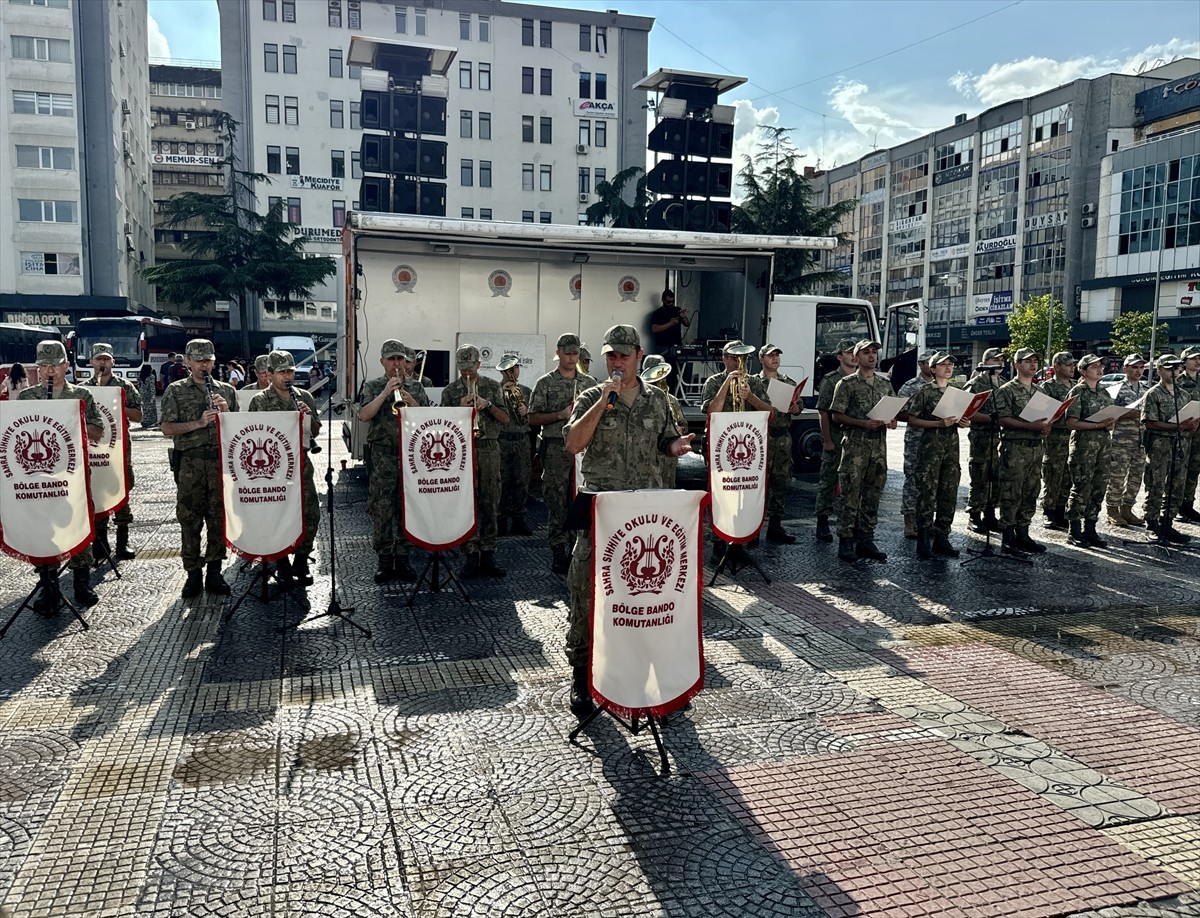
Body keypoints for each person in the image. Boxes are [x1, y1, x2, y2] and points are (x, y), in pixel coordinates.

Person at [562, 324, 694, 718]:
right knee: (586, 590)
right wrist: (604, 401)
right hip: (604, 513)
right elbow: (573, 443)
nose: (616, 362)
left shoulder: (658, 401)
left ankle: (650, 675)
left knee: (648, 597)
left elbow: (666, 444)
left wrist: (677, 446)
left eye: (623, 354)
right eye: (610, 356)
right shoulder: (590, 395)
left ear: (638, 355)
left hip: (646, 519)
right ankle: (582, 676)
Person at [20, 341, 104, 612]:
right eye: (44, 366)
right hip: (40, 476)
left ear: (66, 365)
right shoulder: (27, 398)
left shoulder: (81, 395)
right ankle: (48, 585)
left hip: (74, 474)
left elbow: (97, 432)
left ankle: (82, 583)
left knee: (78, 522)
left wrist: (72, 420)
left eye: (54, 365)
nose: (49, 371)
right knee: (44, 527)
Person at [161, 338, 239, 598]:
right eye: (198, 360)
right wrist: (198, 423)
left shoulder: (226, 390)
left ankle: (215, 571)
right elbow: (167, 428)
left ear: (214, 361)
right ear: (188, 362)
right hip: (190, 464)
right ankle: (193, 573)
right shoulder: (175, 390)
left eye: (208, 360)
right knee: (190, 519)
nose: (204, 365)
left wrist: (226, 413)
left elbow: (240, 431)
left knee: (218, 519)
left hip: (219, 462)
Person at [248, 350, 321, 586]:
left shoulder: (304, 397)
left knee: (310, 512)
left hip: (300, 462)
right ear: (269, 374)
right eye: (281, 372)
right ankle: (281, 563)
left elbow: (316, 431)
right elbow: (253, 435)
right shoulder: (259, 400)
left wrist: (308, 418)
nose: (287, 376)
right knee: (276, 515)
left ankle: (301, 560)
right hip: (272, 468)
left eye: (290, 371)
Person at [528, 334, 596, 574]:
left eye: (575, 353)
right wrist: (559, 415)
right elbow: (533, 417)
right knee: (556, 498)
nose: (571, 357)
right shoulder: (545, 383)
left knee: (580, 498)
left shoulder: (589, 383)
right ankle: (559, 549)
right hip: (556, 446)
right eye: (567, 353)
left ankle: (580, 548)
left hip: (583, 449)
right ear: (558, 352)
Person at [357, 339, 424, 584]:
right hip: (382, 455)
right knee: (382, 507)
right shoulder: (374, 386)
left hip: (410, 455)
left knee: (407, 507)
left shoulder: (415, 387)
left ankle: (404, 558)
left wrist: (411, 400)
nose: (396, 364)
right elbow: (363, 415)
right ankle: (385, 560)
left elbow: (427, 418)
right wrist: (386, 393)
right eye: (391, 359)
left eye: (400, 359)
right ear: (382, 361)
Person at [441, 344, 510, 578]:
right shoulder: (450, 391)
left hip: (489, 447)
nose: (467, 373)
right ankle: (470, 553)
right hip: (462, 450)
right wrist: (458, 409)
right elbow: (442, 425)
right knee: (466, 501)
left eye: (471, 368)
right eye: (463, 369)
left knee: (490, 499)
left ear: (479, 365)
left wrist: (487, 405)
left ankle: (488, 553)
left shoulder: (491, 386)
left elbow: (506, 419)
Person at [701, 340, 774, 558]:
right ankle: (718, 544)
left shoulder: (754, 383)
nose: (740, 362)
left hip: (748, 451)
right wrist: (727, 385)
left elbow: (771, 412)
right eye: (735, 358)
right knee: (721, 495)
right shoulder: (714, 381)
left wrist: (750, 396)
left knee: (745, 494)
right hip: (720, 449)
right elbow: (711, 411)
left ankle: (739, 542)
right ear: (725, 359)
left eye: (743, 358)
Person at [830, 340, 897, 563]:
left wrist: (892, 420)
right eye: (866, 352)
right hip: (855, 447)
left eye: (874, 352)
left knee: (873, 494)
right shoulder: (847, 384)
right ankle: (846, 540)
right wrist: (861, 423)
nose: (871, 356)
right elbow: (836, 415)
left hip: (878, 447)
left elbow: (894, 408)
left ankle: (866, 538)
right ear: (856, 357)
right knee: (850, 495)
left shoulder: (884, 384)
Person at [904, 353, 969, 559]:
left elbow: (962, 416)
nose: (949, 367)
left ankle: (942, 537)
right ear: (933, 369)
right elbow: (913, 420)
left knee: (948, 492)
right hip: (930, 449)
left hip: (951, 449)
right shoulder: (925, 391)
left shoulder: (957, 391)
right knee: (927, 493)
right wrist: (938, 424)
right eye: (944, 364)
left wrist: (963, 421)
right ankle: (923, 539)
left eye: (951, 364)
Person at [85, 343, 144, 563]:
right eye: (98, 359)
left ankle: (122, 542)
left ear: (113, 362)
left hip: (118, 450)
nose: (102, 363)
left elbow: (139, 416)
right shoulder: (83, 388)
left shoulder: (124, 386)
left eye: (106, 359)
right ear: (91, 362)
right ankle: (100, 541)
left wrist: (120, 405)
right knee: (96, 490)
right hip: (93, 450)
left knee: (121, 489)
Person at [994, 347, 1052, 555]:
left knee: (1030, 492)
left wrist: (1046, 426)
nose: (1033, 364)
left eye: (1035, 361)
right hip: (1015, 448)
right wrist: (1030, 426)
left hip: (1036, 448)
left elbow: (1046, 417)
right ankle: (1008, 537)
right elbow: (1003, 419)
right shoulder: (1006, 390)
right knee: (1012, 492)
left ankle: (1023, 533)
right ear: (1017, 365)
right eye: (1027, 361)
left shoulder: (1040, 392)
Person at [1141, 354, 1198, 544]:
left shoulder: (1184, 395)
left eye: (1176, 368)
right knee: (1156, 484)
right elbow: (1150, 423)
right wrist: (1178, 427)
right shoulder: (1153, 394)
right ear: (1158, 370)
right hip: (1159, 446)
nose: (1173, 372)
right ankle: (1152, 524)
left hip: (1180, 445)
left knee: (1177, 484)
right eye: (1168, 368)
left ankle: (1168, 522)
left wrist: (1192, 425)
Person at [1064, 354, 1116, 548]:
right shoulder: (1078, 392)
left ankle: (1091, 528)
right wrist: (1098, 425)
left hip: (1103, 446)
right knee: (1081, 487)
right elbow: (1071, 422)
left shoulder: (1104, 392)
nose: (1099, 369)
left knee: (1099, 487)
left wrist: (1110, 423)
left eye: (1100, 366)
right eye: (1094, 366)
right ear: (1083, 371)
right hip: (1084, 447)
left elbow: (1109, 418)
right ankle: (1074, 529)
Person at [754, 342, 802, 544]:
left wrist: (794, 409)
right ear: (761, 359)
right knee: (758, 486)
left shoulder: (788, 382)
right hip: (761, 438)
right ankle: (753, 530)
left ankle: (775, 526)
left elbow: (799, 405)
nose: (775, 359)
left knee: (780, 483)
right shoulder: (754, 382)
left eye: (777, 355)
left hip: (782, 438)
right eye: (770, 355)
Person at [813, 339, 858, 543]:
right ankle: (822, 520)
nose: (853, 356)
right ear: (840, 356)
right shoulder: (831, 380)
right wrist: (827, 440)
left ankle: (851, 522)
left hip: (857, 440)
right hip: (837, 436)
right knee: (828, 481)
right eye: (849, 353)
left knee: (854, 482)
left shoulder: (862, 379)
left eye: (855, 352)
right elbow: (823, 413)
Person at [1106, 354, 1150, 526]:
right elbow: (1109, 413)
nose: (1138, 371)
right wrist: (1129, 413)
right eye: (1134, 367)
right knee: (1117, 476)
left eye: (1141, 367)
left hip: (1140, 440)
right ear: (1125, 369)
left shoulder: (1146, 388)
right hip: (1121, 440)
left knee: (1136, 477)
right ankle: (1112, 510)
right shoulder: (1116, 389)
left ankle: (1127, 508)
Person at [966, 347, 1006, 533]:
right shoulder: (976, 383)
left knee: (995, 477)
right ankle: (974, 515)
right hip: (981, 438)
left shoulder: (1004, 384)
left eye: (1001, 360)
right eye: (995, 360)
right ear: (985, 363)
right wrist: (989, 418)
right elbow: (966, 411)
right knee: (980, 476)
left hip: (1000, 438)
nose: (999, 363)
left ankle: (990, 514)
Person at [897, 350, 936, 539]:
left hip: (938, 439)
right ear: (921, 364)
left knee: (934, 480)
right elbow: (899, 412)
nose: (934, 365)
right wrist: (921, 415)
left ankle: (928, 521)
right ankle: (910, 521)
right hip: (916, 438)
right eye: (930, 362)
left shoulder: (943, 387)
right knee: (913, 480)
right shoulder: (910, 386)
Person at [496, 354, 533, 537]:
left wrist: (527, 410)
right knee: (501, 481)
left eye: (515, 368)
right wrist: (503, 392)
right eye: (509, 369)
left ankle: (519, 520)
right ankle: (500, 520)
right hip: (503, 439)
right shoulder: (495, 389)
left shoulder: (526, 390)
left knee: (521, 481)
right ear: (502, 370)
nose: (512, 372)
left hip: (521, 440)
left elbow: (534, 416)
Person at [1039, 352, 1076, 530]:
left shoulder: (1077, 386)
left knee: (1068, 475)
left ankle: (1062, 510)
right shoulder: (1047, 387)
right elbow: (1040, 412)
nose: (1072, 367)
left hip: (1073, 436)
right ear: (1057, 367)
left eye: (1073, 364)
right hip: (1054, 437)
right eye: (1068, 365)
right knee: (1053, 474)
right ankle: (1049, 510)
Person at [640, 354, 689, 487]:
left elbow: (683, 423)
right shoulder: (639, 398)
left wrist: (680, 429)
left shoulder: (672, 399)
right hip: (648, 456)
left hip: (668, 458)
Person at [1175, 345, 1200, 523]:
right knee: (1178, 470)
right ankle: (1174, 506)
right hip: (1182, 432)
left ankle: (1188, 505)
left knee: (1194, 469)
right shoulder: (1178, 383)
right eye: (1194, 358)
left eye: (1199, 358)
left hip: (1198, 433)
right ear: (1184, 362)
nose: (1198, 361)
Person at [138, 364, 158, 429]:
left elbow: (139, 386)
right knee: (151, 409)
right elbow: (152, 387)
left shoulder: (140, 376)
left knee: (144, 409)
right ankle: (151, 422)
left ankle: (143, 422)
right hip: (149, 394)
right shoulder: (151, 376)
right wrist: (153, 395)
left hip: (142, 394)